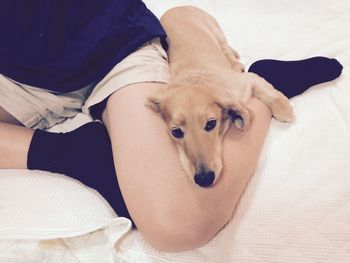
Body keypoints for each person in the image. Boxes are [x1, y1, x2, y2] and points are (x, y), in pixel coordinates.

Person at [0, 1, 342, 252]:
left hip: (109, 45)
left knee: (178, 224)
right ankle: (74, 153)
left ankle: (262, 82)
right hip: (13, 73)